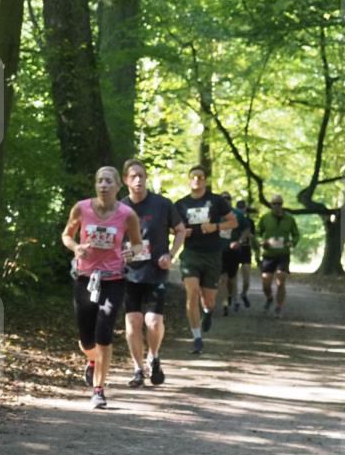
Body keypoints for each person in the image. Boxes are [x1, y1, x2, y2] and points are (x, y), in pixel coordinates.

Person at [62, 166, 142, 408]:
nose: (104, 185)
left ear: (118, 186)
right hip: (85, 277)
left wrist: (132, 252)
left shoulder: (127, 214)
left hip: (114, 278)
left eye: (108, 181)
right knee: (86, 339)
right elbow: (66, 235)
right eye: (100, 181)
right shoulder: (82, 208)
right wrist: (76, 247)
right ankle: (92, 360)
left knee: (104, 332)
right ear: (95, 185)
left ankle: (99, 390)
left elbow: (138, 245)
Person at [120, 159, 186, 388]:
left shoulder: (162, 204)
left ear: (146, 178)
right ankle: (138, 368)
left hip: (155, 271)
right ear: (125, 180)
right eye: (133, 176)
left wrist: (171, 254)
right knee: (133, 322)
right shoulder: (119, 209)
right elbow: (111, 240)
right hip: (129, 274)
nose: (138, 179)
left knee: (153, 322)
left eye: (141, 175)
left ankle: (154, 356)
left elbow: (180, 230)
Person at [174, 166, 237, 355]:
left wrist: (215, 227)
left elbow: (233, 222)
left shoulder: (216, 201)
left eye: (200, 177)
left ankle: (208, 313)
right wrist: (182, 231)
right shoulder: (181, 204)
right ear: (188, 180)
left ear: (205, 180)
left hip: (212, 255)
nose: (197, 180)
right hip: (191, 254)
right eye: (193, 177)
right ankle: (197, 338)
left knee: (209, 301)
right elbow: (172, 227)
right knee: (191, 292)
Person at [257, 194, 300, 318]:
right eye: (274, 203)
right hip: (268, 254)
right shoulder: (265, 218)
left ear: (282, 205)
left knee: (281, 280)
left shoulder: (289, 219)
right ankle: (269, 298)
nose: (277, 206)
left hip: (283, 254)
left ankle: (279, 306)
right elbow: (258, 233)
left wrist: (293, 242)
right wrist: (261, 241)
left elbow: (296, 234)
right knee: (266, 283)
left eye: (279, 203)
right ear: (271, 205)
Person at [217, 192, 250, 316]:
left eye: (228, 198)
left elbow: (246, 230)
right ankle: (225, 304)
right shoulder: (214, 214)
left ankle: (230, 296)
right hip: (219, 252)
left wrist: (239, 241)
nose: (226, 200)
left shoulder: (238, 214)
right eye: (223, 198)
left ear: (231, 200)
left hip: (233, 252)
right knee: (222, 279)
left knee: (231, 279)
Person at [234, 200, 257, 310]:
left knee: (246, 278)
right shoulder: (232, 219)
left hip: (245, 249)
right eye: (239, 206)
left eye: (242, 207)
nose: (241, 208)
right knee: (232, 276)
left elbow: (253, 236)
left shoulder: (250, 222)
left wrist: (247, 235)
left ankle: (243, 293)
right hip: (234, 250)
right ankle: (235, 300)